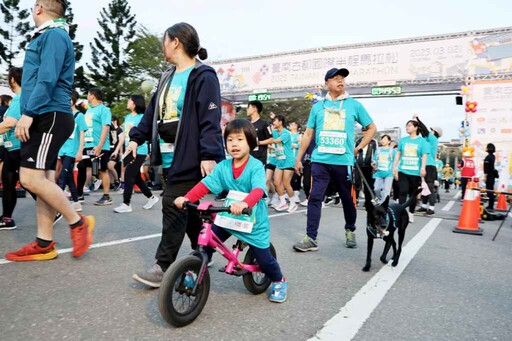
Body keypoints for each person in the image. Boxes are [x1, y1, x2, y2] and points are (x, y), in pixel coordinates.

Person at [128, 22, 225, 287]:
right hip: (168, 157)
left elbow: (210, 117)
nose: (163, 45)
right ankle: (204, 249)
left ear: (176, 42)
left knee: (172, 203)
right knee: (188, 207)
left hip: (192, 155)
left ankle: (162, 266)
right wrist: (136, 137)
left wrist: (209, 154)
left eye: (165, 40)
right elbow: (151, 114)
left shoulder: (203, 75)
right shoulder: (166, 77)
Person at [5, 0, 94, 261]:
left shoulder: (54, 35)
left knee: (31, 179)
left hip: (49, 114)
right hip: (45, 113)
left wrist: (28, 114)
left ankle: (78, 223)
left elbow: (47, 77)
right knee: (42, 179)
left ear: (39, 8)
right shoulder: (49, 34)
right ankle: (44, 242)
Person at [175, 119, 288, 302]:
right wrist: (187, 198)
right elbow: (206, 184)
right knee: (206, 244)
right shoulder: (223, 167)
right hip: (229, 215)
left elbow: (258, 189)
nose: (234, 144)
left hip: (253, 221)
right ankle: (194, 272)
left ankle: (279, 279)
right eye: (230, 140)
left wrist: (245, 203)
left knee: (265, 259)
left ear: (250, 142)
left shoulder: (255, 166)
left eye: (240, 139)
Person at [293, 67, 377, 251]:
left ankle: (350, 230)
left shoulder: (353, 105)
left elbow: (371, 128)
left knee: (348, 199)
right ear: (327, 83)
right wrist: (298, 158)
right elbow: (308, 134)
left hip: (343, 162)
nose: (341, 81)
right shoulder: (318, 107)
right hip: (320, 161)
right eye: (336, 78)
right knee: (315, 198)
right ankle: (311, 238)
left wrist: (359, 148)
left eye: (343, 78)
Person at [113, 95, 159, 213]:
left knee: (129, 175)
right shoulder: (127, 117)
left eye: (129, 100)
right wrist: (121, 150)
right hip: (130, 150)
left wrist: (148, 151)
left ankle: (126, 204)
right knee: (136, 177)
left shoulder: (142, 117)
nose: (128, 102)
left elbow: (146, 135)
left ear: (134, 103)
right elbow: (125, 136)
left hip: (140, 150)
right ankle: (152, 198)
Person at [56, 90, 88, 215]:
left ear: (74, 100)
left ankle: (57, 205)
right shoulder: (62, 114)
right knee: (69, 177)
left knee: (62, 177)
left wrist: (80, 150)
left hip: (72, 150)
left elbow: (82, 134)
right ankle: (76, 202)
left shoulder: (79, 116)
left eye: (69, 99)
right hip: (62, 149)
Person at [392, 120, 429, 223]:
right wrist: (394, 167)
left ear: (416, 127)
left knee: (413, 194)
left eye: (409, 125)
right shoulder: (403, 140)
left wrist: (423, 168)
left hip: (415, 172)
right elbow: (398, 154)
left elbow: (424, 155)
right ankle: (401, 213)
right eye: (406, 126)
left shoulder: (422, 141)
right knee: (402, 191)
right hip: (403, 170)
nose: (407, 127)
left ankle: (411, 213)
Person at [0, 68, 23, 230]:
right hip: (11, 148)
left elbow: (9, 124)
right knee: (7, 182)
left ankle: (55, 208)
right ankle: (7, 218)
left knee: (31, 183)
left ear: (13, 80)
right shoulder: (17, 99)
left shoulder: (20, 99)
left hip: (20, 147)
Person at [81, 87, 112, 205]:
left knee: (102, 170)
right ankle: (79, 194)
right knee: (85, 167)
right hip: (88, 145)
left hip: (100, 146)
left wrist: (99, 146)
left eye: (88, 94)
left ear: (92, 96)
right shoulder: (89, 110)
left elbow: (105, 128)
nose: (87, 97)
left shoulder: (104, 110)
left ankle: (107, 196)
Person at [270, 115, 297, 213]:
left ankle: (293, 203)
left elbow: (276, 141)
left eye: (275, 121)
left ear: (280, 122)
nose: (274, 123)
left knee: (286, 183)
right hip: (279, 161)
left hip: (288, 160)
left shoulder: (286, 133)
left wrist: (264, 141)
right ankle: (283, 202)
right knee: (277, 182)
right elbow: (270, 135)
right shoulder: (275, 132)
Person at [415, 116, 442, 215]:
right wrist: (416, 123)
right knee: (424, 187)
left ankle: (431, 208)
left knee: (430, 187)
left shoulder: (433, 139)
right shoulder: (427, 139)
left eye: (432, 130)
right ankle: (424, 206)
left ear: (434, 132)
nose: (430, 131)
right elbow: (423, 131)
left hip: (429, 166)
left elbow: (424, 130)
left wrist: (418, 119)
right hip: (424, 165)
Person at [355, 126, 377, 211]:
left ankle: (368, 201)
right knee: (357, 182)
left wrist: (374, 164)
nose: (364, 133)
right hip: (359, 164)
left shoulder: (373, 142)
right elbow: (355, 151)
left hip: (369, 165)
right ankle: (356, 199)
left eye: (366, 131)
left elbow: (376, 154)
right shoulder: (358, 141)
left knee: (368, 184)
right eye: (363, 131)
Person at [247, 100, 273, 165]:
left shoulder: (264, 124)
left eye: (248, 107)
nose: (247, 109)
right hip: (247, 156)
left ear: (254, 109)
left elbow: (271, 140)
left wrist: (258, 143)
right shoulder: (247, 124)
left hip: (259, 157)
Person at [373, 134, 396, 203]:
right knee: (376, 189)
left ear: (389, 141)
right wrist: (374, 165)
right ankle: (380, 199)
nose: (383, 141)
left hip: (389, 173)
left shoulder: (392, 151)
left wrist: (395, 171)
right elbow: (374, 160)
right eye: (382, 139)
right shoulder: (378, 150)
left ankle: (383, 204)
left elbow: (396, 161)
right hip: (378, 172)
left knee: (386, 190)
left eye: (385, 139)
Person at [108, 115, 123, 191]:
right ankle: (111, 183)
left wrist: (120, 152)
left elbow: (119, 141)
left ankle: (117, 180)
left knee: (110, 166)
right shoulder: (108, 129)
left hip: (114, 150)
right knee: (108, 168)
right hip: (108, 149)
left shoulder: (119, 130)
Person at [289, 121, 302, 203]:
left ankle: (296, 194)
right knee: (288, 177)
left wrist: (295, 145)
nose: (290, 125)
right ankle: (289, 194)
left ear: (296, 126)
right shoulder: (287, 135)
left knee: (295, 177)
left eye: (292, 124)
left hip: (295, 159)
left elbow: (301, 146)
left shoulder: (299, 136)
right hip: (287, 159)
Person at [483, 143, 497, 211]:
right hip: (493, 176)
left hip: (489, 176)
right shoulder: (493, 156)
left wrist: (485, 177)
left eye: (486, 147)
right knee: (491, 190)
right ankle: (491, 205)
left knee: (489, 191)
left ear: (488, 148)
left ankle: (490, 206)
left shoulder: (487, 157)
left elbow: (486, 168)